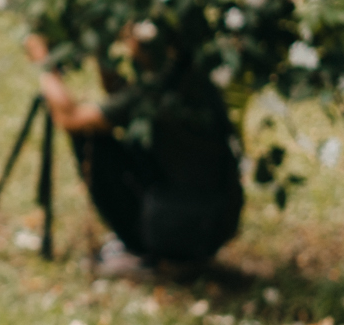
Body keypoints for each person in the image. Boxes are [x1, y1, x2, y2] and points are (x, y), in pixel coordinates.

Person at [25, 34, 243, 271]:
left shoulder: (156, 89)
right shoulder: (188, 77)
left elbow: (72, 119)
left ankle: (146, 248)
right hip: (214, 223)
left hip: (184, 231)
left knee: (89, 137)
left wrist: (45, 63)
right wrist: (101, 47)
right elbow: (119, 97)